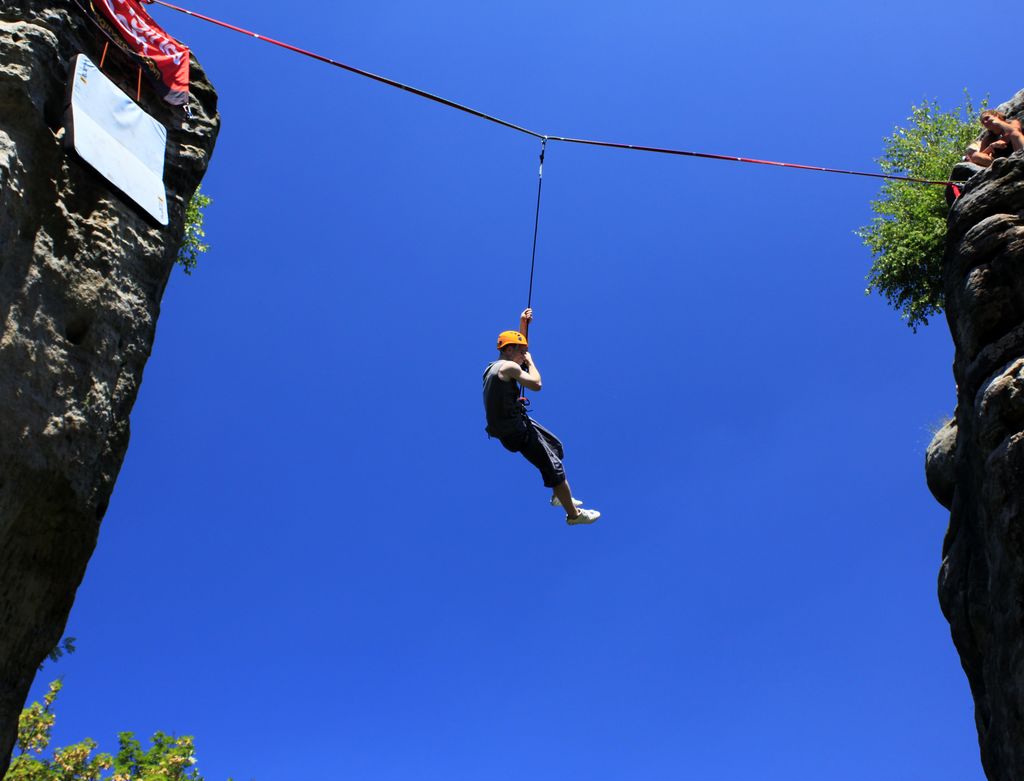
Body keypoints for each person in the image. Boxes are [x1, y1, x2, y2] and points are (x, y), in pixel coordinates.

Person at [482, 308, 600, 525]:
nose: (524, 357)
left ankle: (558, 495)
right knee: (554, 468)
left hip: (515, 425)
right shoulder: (508, 367)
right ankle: (573, 515)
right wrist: (532, 362)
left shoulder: (494, 367)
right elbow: (536, 384)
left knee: (556, 447)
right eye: (521, 352)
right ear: (509, 350)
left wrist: (523, 325)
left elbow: (518, 353)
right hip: (517, 431)